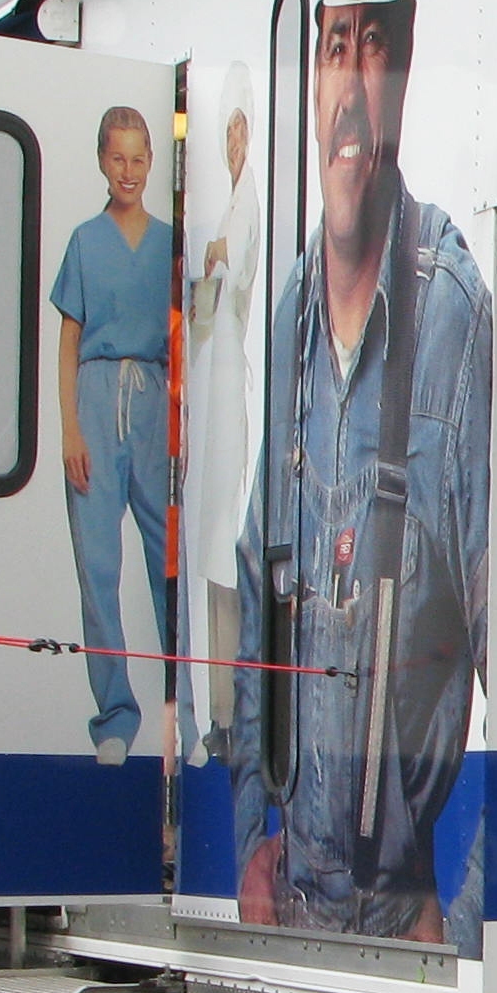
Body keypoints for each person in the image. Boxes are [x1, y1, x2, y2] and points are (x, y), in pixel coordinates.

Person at [224, 0, 492, 951]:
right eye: (336, 43)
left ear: (410, 64)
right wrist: (247, 831)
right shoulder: (285, 312)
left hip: (400, 905)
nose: (352, 83)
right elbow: (252, 589)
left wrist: (468, 909)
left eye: (377, 46)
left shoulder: (452, 314)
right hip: (292, 896)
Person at [53, 103, 177, 764]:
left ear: (152, 161)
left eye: (139, 158)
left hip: (153, 399)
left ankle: (182, 704)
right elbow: (67, 341)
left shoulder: (168, 241)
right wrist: (71, 428)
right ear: (103, 161)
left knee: (169, 561)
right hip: (97, 400)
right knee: (98, 564)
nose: (128, 171)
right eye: (117, 158)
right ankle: (115, 715)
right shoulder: (83, 241)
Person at [184, 66, 267, 745]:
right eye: (228, 132)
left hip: (229, 387)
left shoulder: (248, 208)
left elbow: (230, 274)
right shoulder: (224, 210)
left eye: (242, 129)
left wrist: (214, 259)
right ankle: (215, 705)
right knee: (209, 531)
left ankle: (235, 703)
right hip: (210, 382)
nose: (235, 144)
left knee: (226, 538)